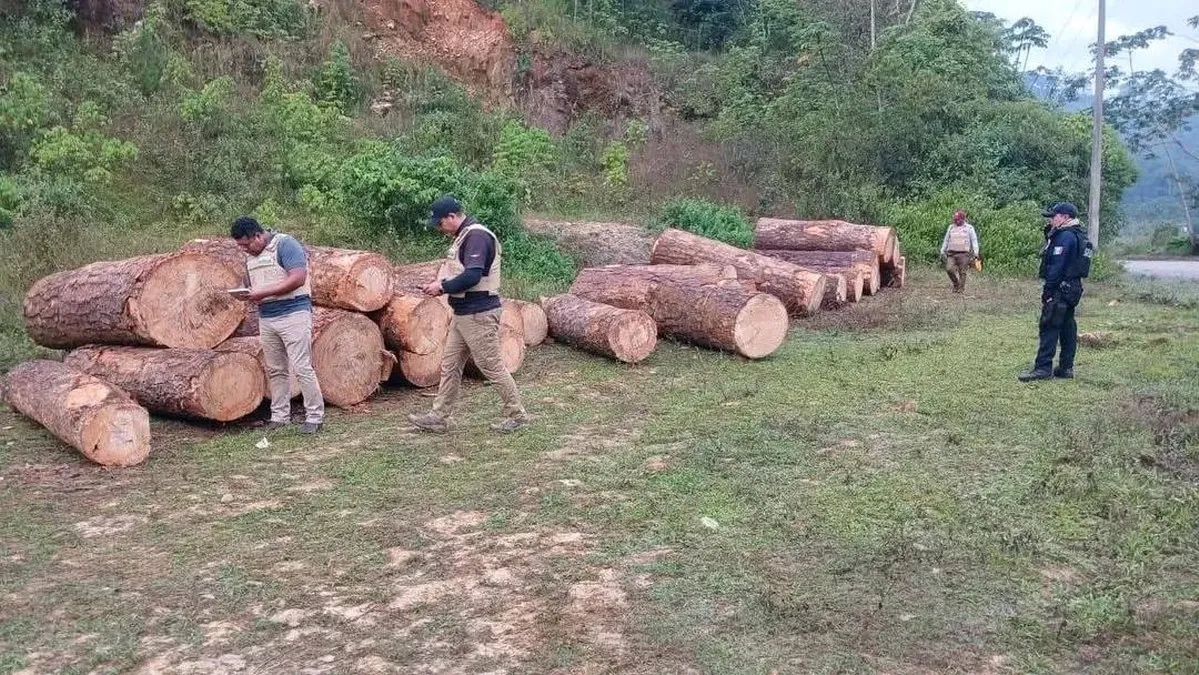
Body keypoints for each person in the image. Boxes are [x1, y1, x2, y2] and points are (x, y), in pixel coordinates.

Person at [407, 196, 531, 434]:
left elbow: (473, 276)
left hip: (479, 313)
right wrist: (442, 282)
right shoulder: (464, 237)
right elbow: (462, 273)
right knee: (450, 365)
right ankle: (439, 416)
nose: (439, 229)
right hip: (464, 313)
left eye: (440, 223)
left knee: (491, 366)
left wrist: (442, 287)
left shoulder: (477, 237)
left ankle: (518, 415)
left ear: (452, 217)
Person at [231, 216, 324, 433]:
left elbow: (298, 278)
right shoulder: (250, 257)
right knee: (276, 369)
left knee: (301, 367)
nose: (244, 249)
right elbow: (251, 283)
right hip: (267, 316)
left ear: (258, 235)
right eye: (240, 246)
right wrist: (244, 293)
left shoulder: (285, 245)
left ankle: (315, 417)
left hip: (294, 313)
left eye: (246, 244)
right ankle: (280, 416)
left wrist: (262, 292)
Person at [1018, 203, 1092, 382]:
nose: (1051, 220)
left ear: (1065, 217)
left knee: (1049, 325)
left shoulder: (1065, 237)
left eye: (1054, 216)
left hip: (1060, 287)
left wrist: (1048, 290)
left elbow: (1057, 266)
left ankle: (1043, 368)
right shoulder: (1078, 235)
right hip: (1072, 287)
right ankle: (1066, 368)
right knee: (1067, 326)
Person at [939, 210, 980, 293]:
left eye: (957, 219)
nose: (956, 221)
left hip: (964, 254)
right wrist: (942, 250)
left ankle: (961, 289)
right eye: (955, 219)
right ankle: (956, 284)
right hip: (951, 253)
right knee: (949, 269)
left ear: (962, 219)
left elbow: (974, 240)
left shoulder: (969, 228)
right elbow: (946, 239)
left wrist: (976, 252)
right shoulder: (951, 227)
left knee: (962, 272)